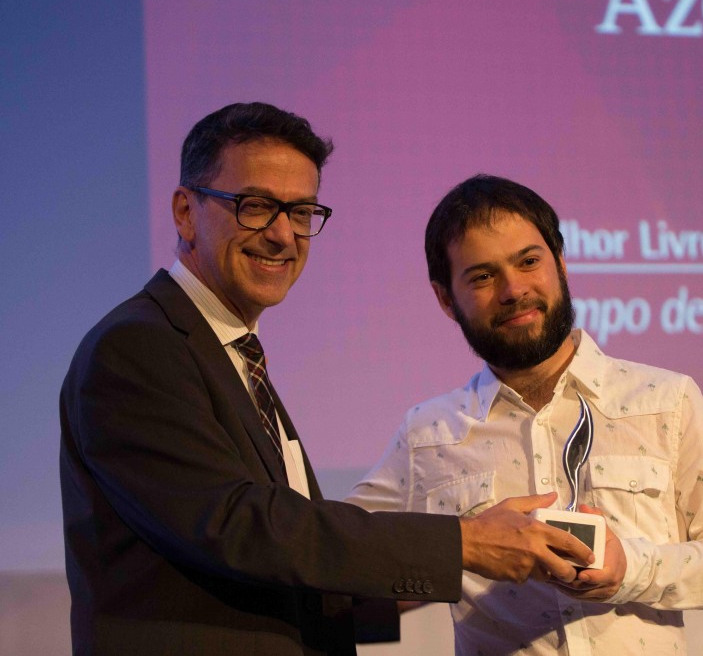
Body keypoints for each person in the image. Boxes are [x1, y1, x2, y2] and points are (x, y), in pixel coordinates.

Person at [59, 105, 593, 655]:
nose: (282, 235)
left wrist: (447, 574)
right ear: (185, 212)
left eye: (301, 211)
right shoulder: (139, 346)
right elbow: (239, 528)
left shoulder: (233, 356)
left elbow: (284, 569)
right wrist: (461, 545)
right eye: (256, 206)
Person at [346, 174, 703, 654]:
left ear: (561, 264)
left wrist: (630, 568)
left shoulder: (665, 401)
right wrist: (455, 555)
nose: (513, 289)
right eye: (482, 276)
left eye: (528, 262)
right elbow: (344, 558)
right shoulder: (428, 436)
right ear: (446, 299)